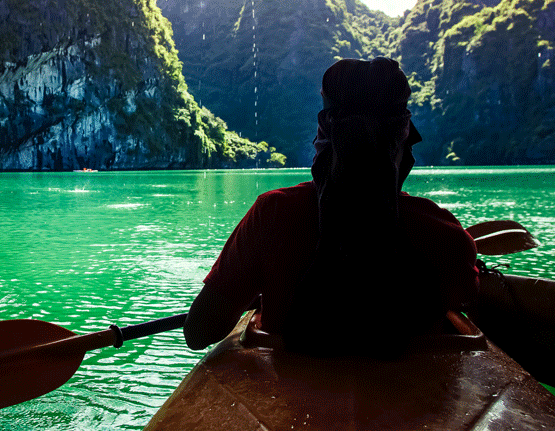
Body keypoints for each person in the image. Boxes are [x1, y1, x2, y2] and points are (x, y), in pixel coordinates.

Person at [183, 57, 479, 355]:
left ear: (324, 132)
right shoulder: (446, 235)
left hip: (289, 399)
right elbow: (465, 298)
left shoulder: (272, 215)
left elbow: (198, 332)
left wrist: (260, 288)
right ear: (403, 138)